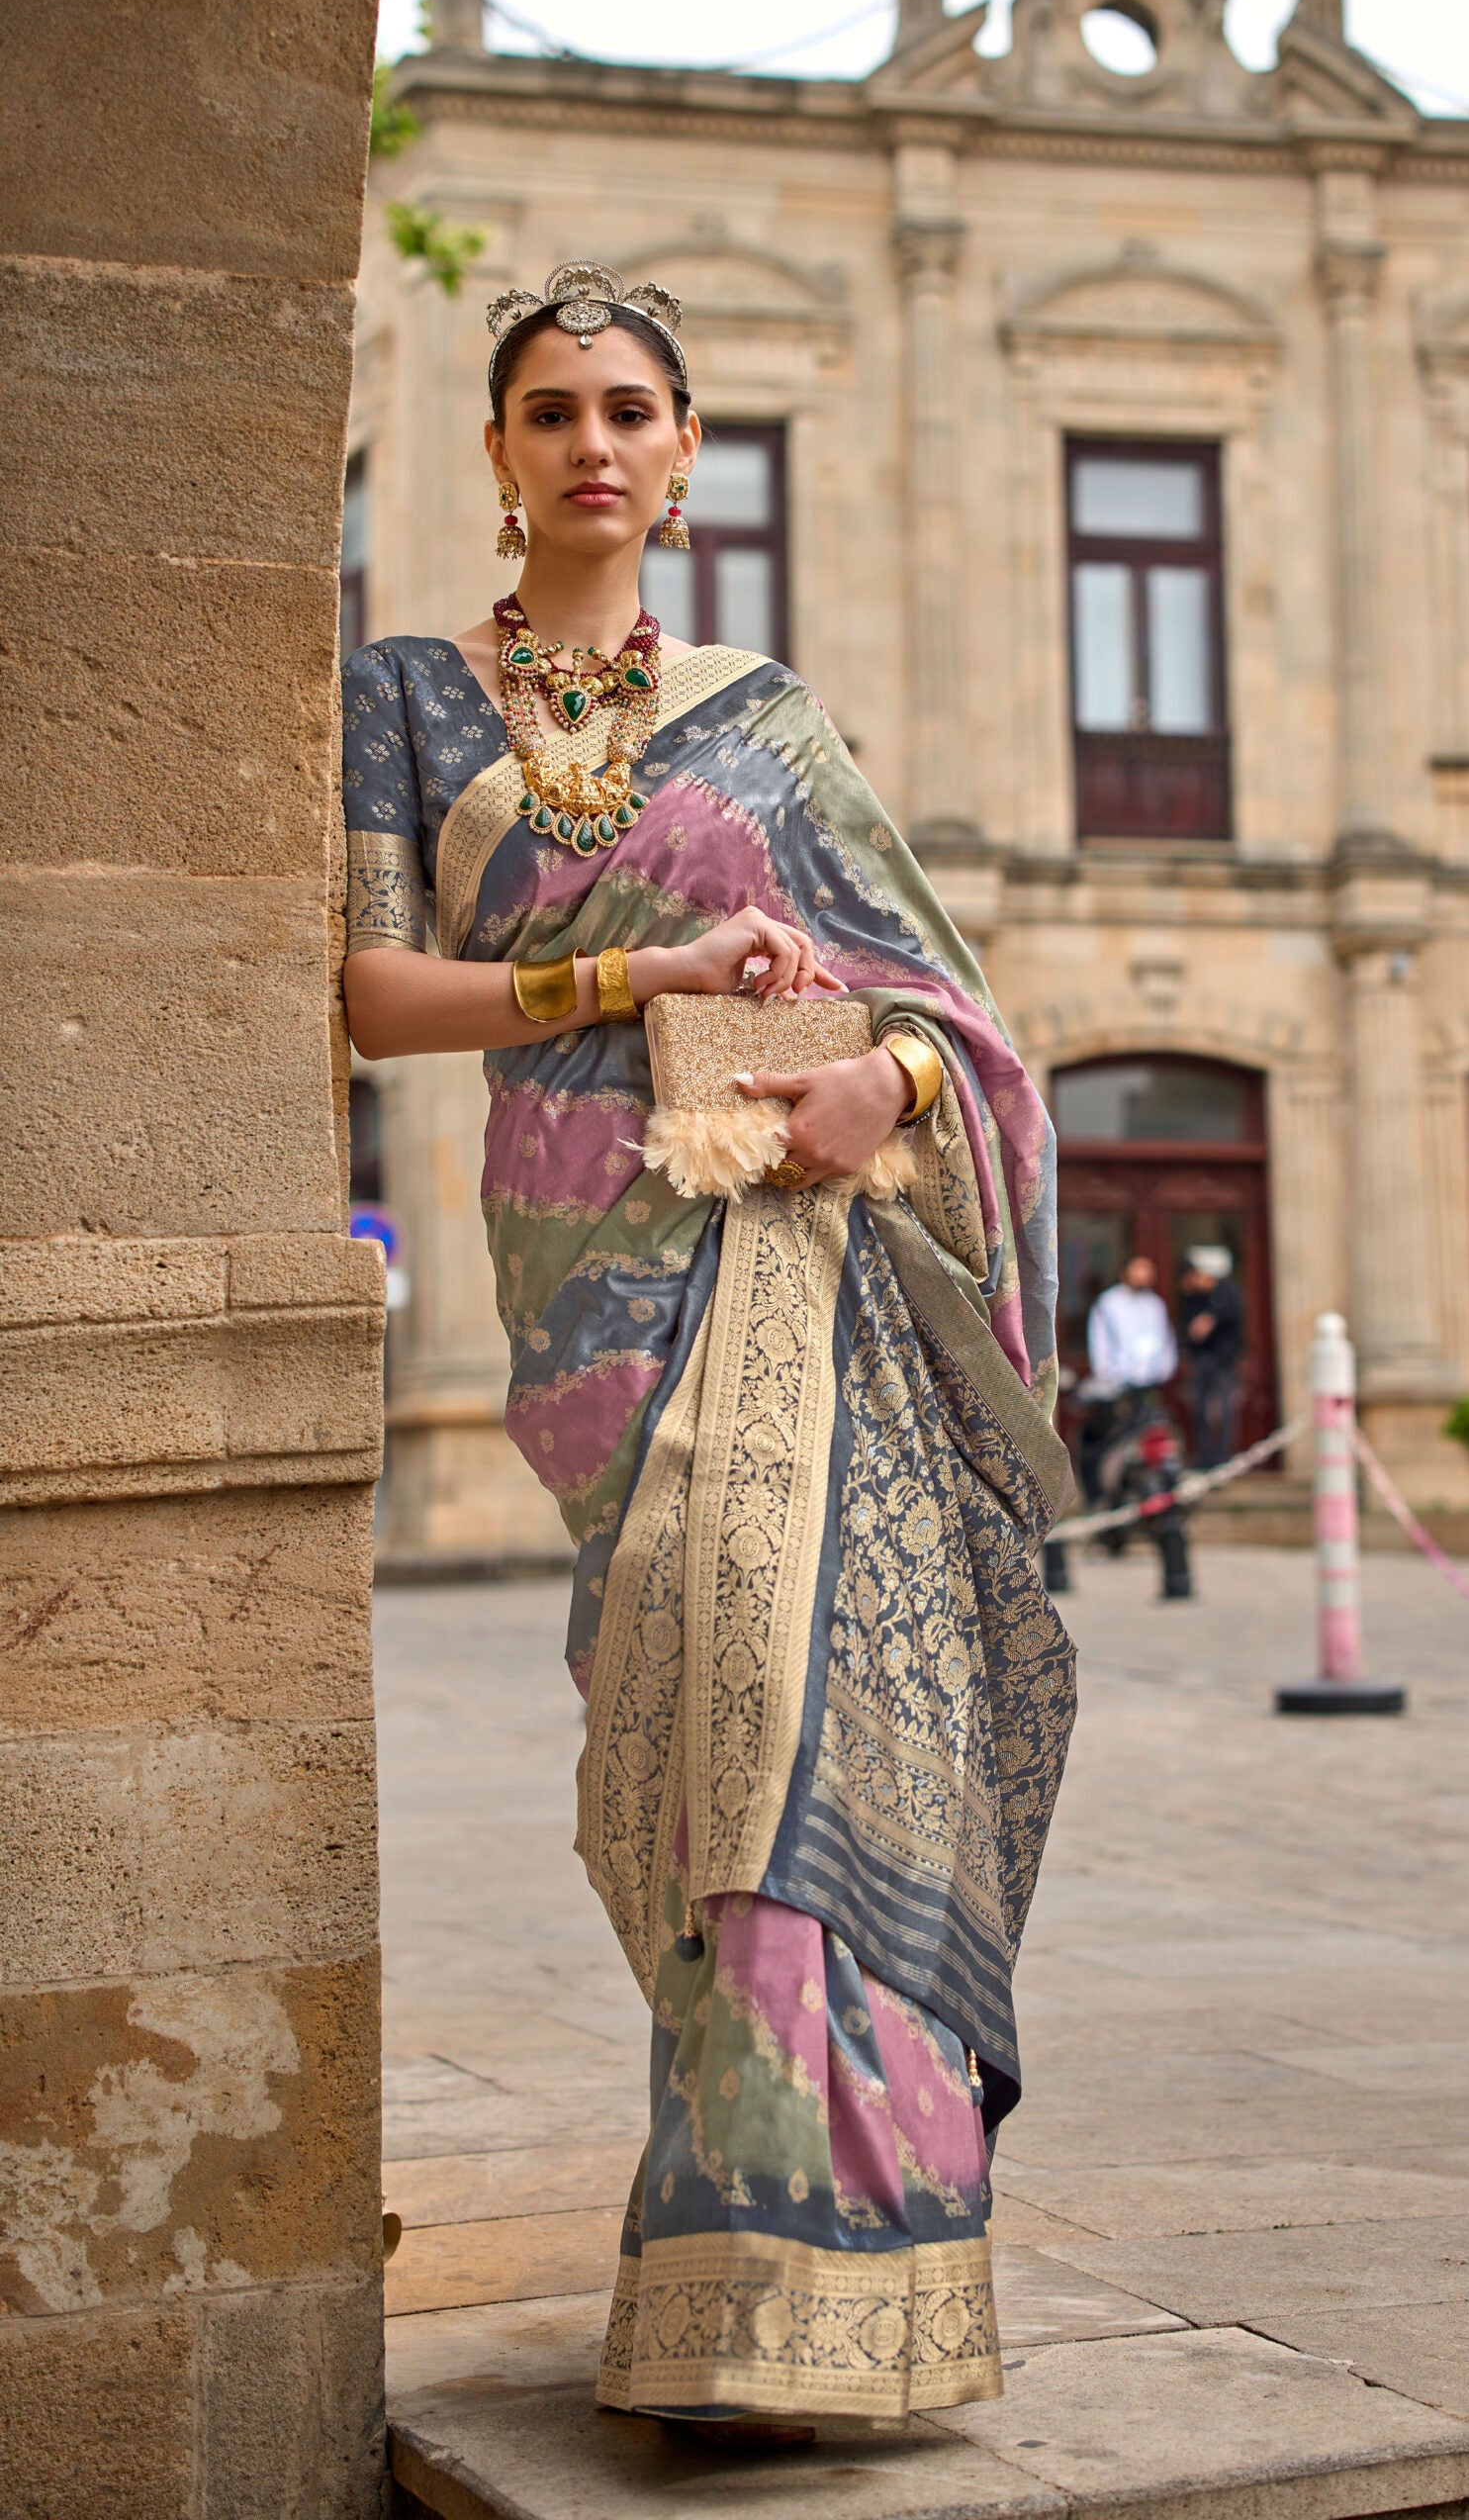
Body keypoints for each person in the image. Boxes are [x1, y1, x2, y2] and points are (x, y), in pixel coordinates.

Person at [340, 265, 1076, 2431]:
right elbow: (378, 998)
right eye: (549, 407)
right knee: (672, 1713)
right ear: (493, 454)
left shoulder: (764, 715)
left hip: (783, 1249)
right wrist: (632, 971)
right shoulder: (404, 693)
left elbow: (955, 1013)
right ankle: (741, 2230)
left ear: (682, 453)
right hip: (582, 1272)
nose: (589, 438)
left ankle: (810, 2269)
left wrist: (897, 1095)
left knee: (788, 1685)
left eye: (629, 407)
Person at [1078, 1254, 1177, 1502]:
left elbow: (1165, 1338)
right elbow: (1100, 1342)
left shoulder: (1155, 1304)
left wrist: (1164, 1369)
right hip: (1118, 1385)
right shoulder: (1109, 1303)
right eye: (1138, 1270)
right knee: (1110, 1437)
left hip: (1148, 1383)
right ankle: (1101, 1494)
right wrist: (1107, 1374)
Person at [1179, 1246, 1244, 1470]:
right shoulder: (1194, 1298)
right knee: (1200, 1410)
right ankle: (1205, 1458)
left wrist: (1211, 1318)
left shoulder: (1226, 1295)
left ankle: (1222, 1458)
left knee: (1222, 1411)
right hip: (1201, 1362)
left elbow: (1233, 1315)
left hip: (1222, 1362)